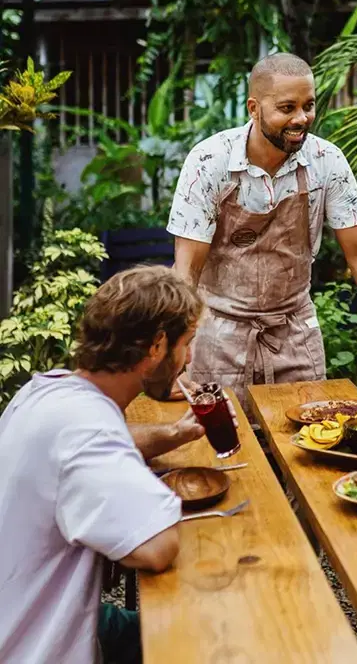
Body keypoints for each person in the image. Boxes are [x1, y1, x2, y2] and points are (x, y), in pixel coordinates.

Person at [167, 52, 357, 404]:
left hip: (295, 334)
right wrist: (173, 358)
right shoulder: (209, 162)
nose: (301, 118)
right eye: (287, 108)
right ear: (253, 108)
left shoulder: (327, 162)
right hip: (219, 335)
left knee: (309, 444)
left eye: (308, 105)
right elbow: (187, 269)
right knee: (225, 448)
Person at [0, 266, 208, 664]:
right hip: (38, 644)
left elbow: (89, 452)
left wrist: (173, 434)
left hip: (19, 613)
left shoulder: (45, 392)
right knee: (221, 630)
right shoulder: (87, 429)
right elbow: (156, 547)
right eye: (188, 342)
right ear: (156, 347)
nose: (190, 358)